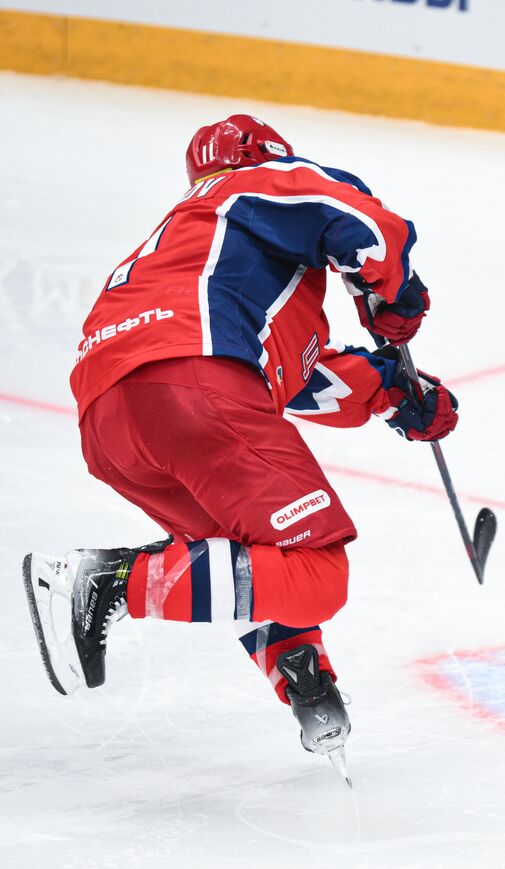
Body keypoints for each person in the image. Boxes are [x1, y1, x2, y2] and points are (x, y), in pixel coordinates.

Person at [23, 115, 459, 778]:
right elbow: (359, 219)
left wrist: (396, 389)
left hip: (113, 418)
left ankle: (300, 670)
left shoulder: (213, 260)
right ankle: (104, 581)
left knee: (255, 560)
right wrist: (393, 296)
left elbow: (304, 383)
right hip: (192, 381)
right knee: (318, 570)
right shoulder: (250, 188)